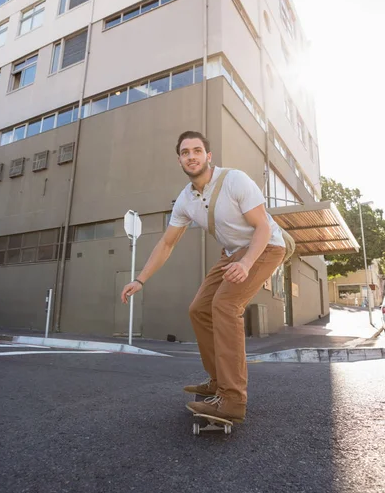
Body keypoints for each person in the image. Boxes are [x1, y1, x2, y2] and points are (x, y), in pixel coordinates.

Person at [121, 131, 286, 423]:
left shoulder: (234, 180)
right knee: (198, 309)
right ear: (179, 160)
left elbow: (262, 226)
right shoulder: (185, 199)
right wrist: (140, 279)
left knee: (224, 306)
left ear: (208, 156)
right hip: (232, 253)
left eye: (197, 151)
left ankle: (233, 400)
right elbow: (167, 243)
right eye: (185, 153)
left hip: (266, 246)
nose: (191, 156)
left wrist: (247, 263)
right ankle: (217, 380)